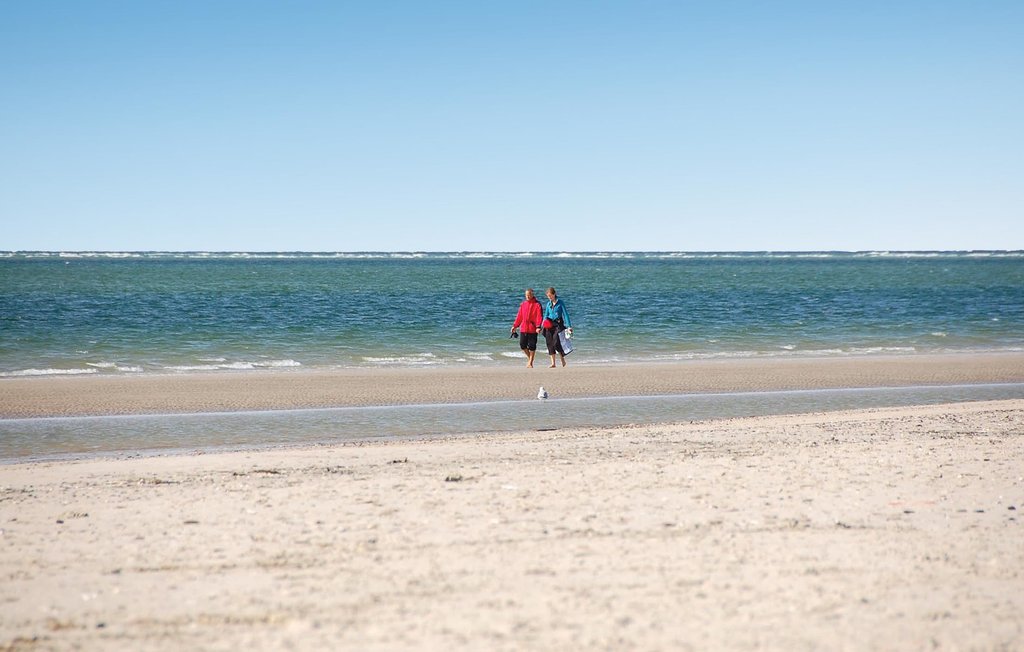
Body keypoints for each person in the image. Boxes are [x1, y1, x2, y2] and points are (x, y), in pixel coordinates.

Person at [511, 288, 543, 368]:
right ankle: (530, 360)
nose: (527, 296)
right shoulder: (523, 304)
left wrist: (538, 326)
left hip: (533, 328)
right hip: (524, 328)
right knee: (522, 345)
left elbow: (539, 317)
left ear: (532, 295)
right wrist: (515, 326)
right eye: (526, 295)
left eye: (529, 295)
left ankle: (530, 362)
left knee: (532, 346)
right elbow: (519, 316)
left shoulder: (537, 304)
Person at [542, 287, 573, 368]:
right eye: (548, 296)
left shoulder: (560, 302)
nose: (549, 298)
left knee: (556, 343)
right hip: (549, 324)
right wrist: (543, 324)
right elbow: (546, 315)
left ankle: (562, 359)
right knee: (549, 343)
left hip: (558, 324)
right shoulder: (548, 304)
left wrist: (569, 326)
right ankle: (553, 363)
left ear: (554, 294)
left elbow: (565, 315)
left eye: (550, 296)